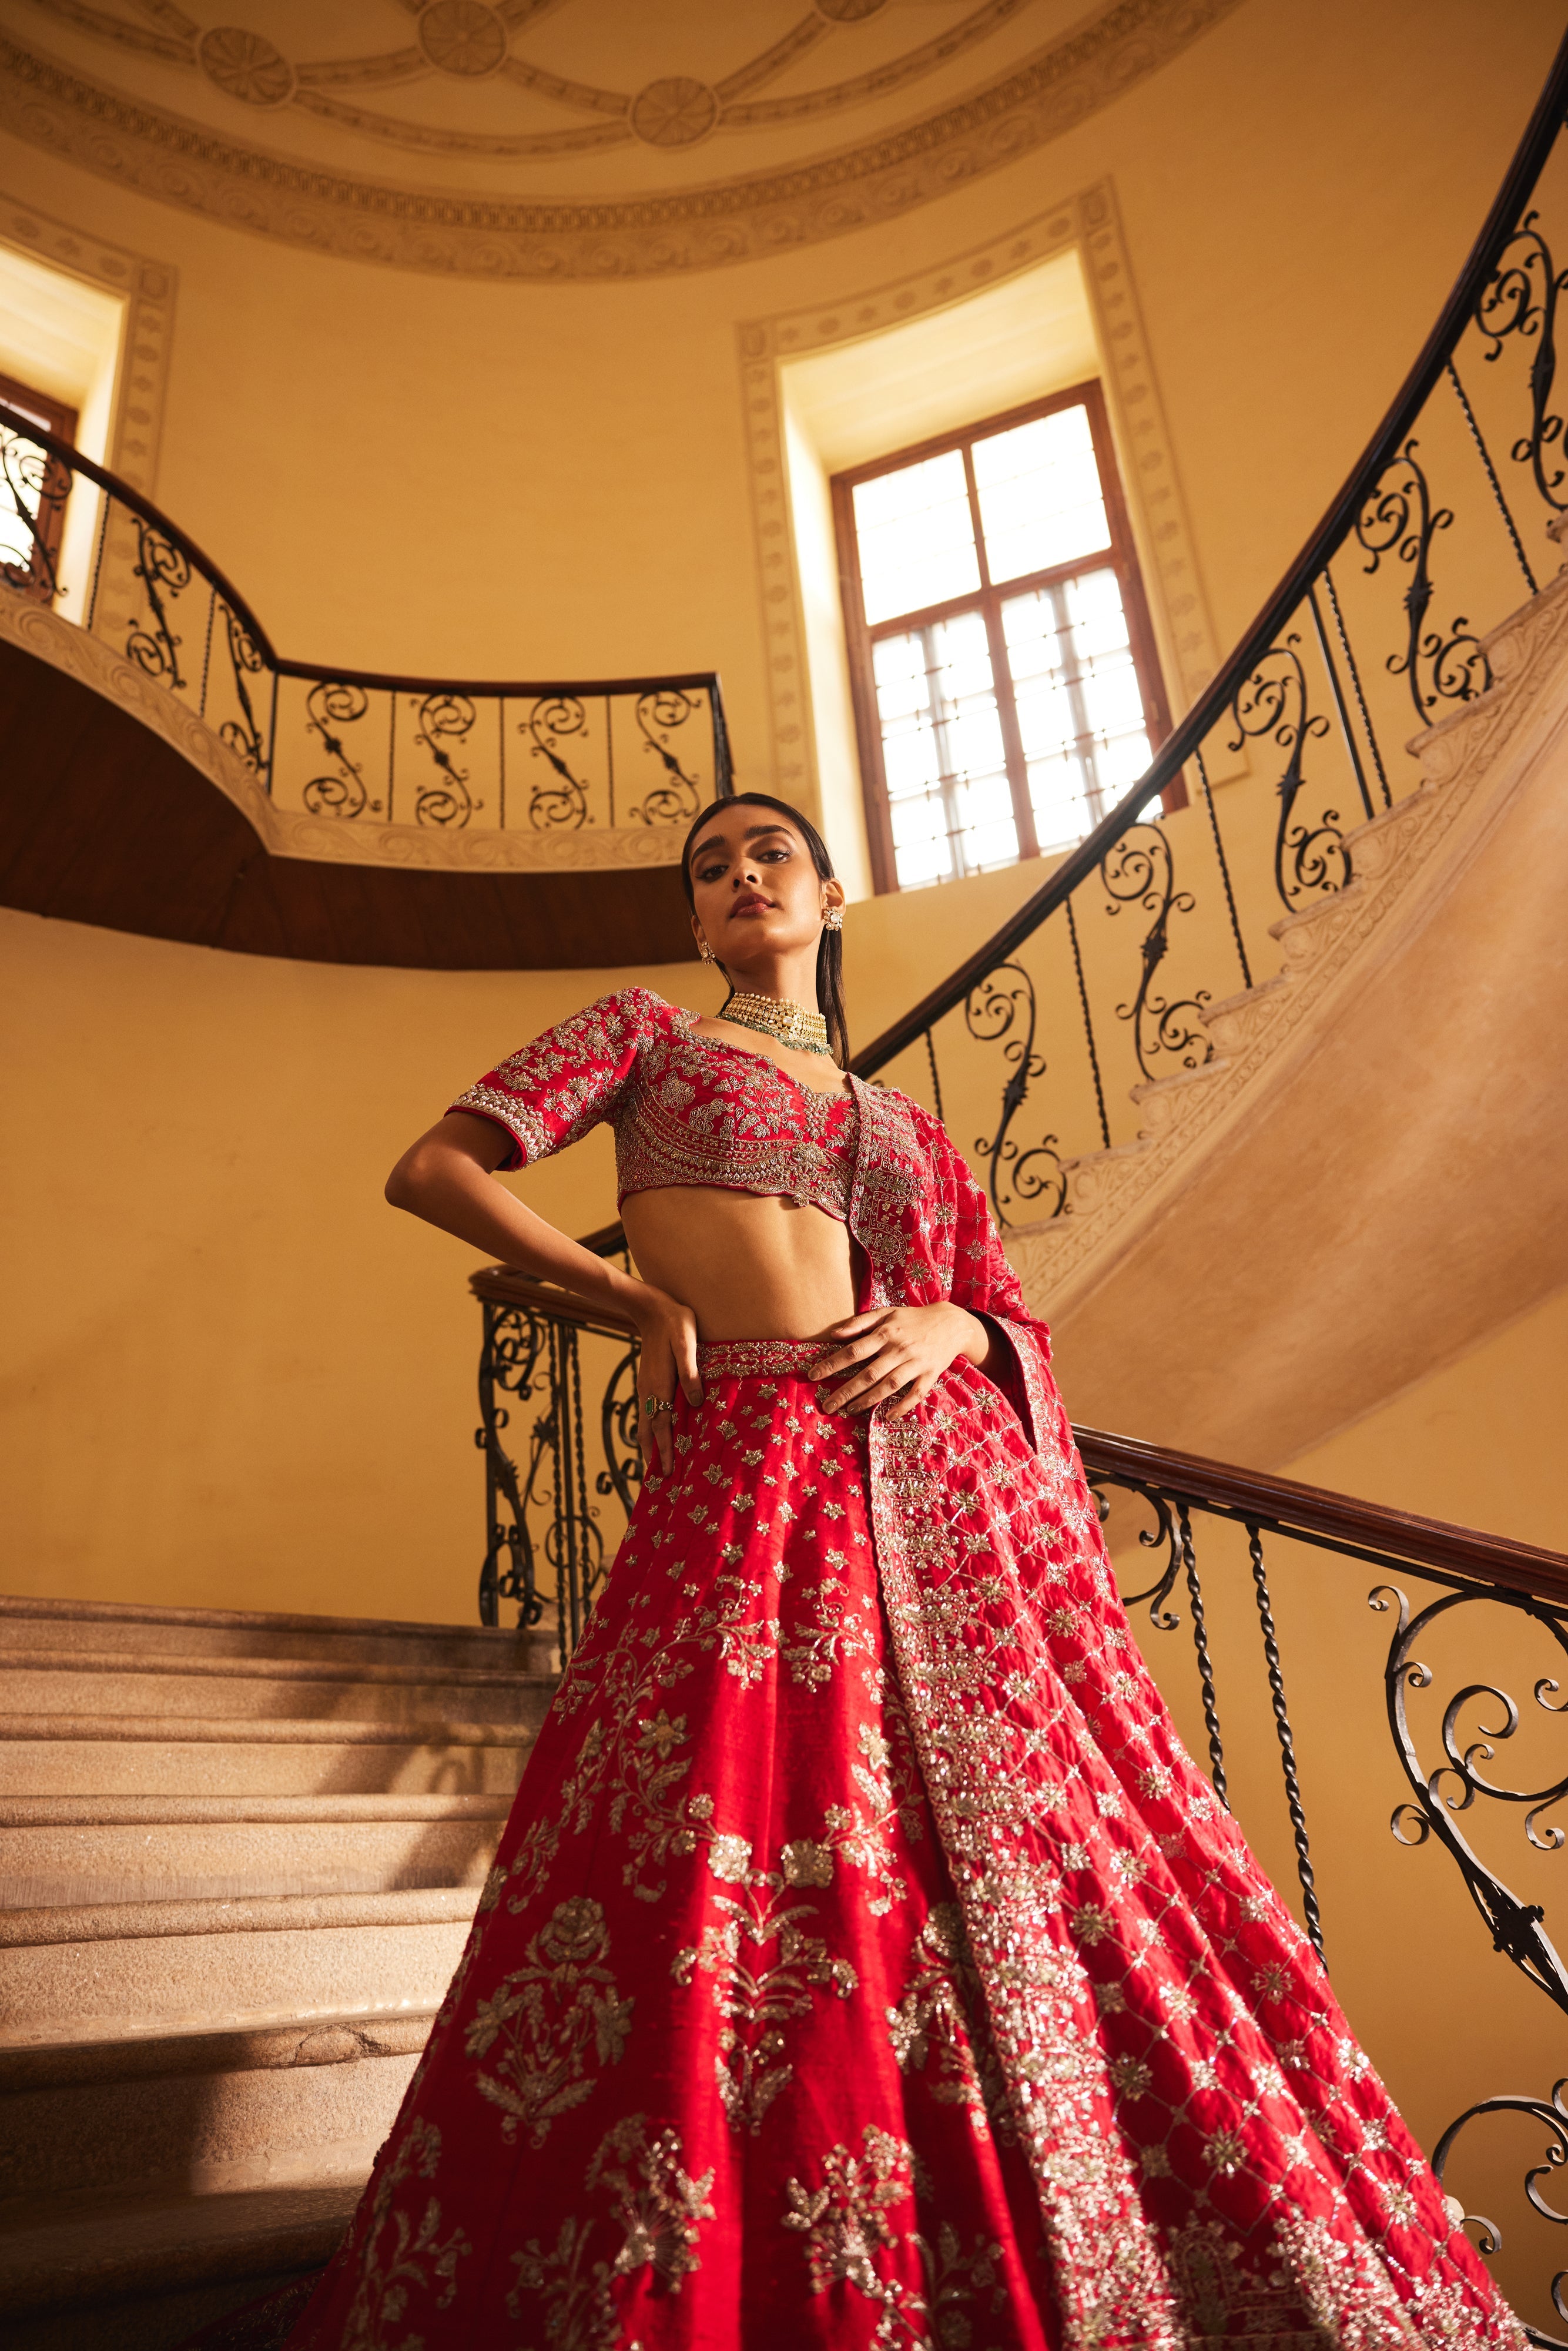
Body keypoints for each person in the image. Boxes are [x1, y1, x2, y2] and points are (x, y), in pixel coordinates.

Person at [284, 792, 1522, 2349]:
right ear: (695, 917)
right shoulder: (645, 1038)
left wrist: (954, 1328)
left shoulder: (912, 1129)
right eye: (710, 868)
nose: (740, 879)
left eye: (770, 857)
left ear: (831, 896)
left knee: (1019, 1860)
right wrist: (622, 1295)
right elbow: (434, 1169)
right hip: (752, 1462)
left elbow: (1007, 1316)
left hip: (948, 1502)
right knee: (723, 1831)